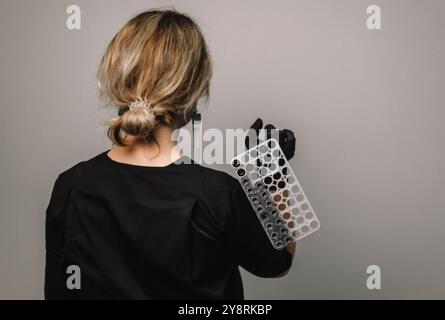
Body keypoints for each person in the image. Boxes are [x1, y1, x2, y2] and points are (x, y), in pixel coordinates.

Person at [45, 9, 295, 300]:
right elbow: (279, 263)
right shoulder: (215, 195)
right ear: (192, 93)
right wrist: (272, 179)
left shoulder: (70, 186)